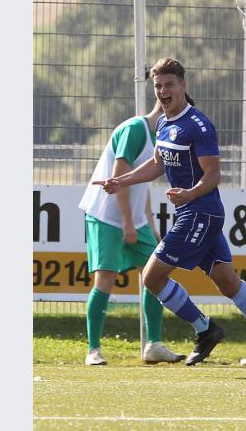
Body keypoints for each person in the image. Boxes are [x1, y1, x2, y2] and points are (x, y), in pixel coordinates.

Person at [93, 57, 246, 378]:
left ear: (183, 86)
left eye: (169, 85)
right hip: (196, 213)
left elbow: (213, 175)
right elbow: (158, 165)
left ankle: (205, 329)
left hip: (200, 213)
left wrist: (189, 194)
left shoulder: (197, 125)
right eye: (158, 86)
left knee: (152, 277)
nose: (163, 91)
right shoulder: (164, 123)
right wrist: (122, 180)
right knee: (227, 281)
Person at [78, 98, 188, 366]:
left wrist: (148, 223)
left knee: (154, 276)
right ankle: (93, 350)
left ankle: (154, 345)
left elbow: (142, 183)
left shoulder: (161, 136)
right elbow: (119, 178)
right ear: (163, 105)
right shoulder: (135, 129)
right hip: (106, 215)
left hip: (135, 219)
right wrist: (127, 222)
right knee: (105, 279)